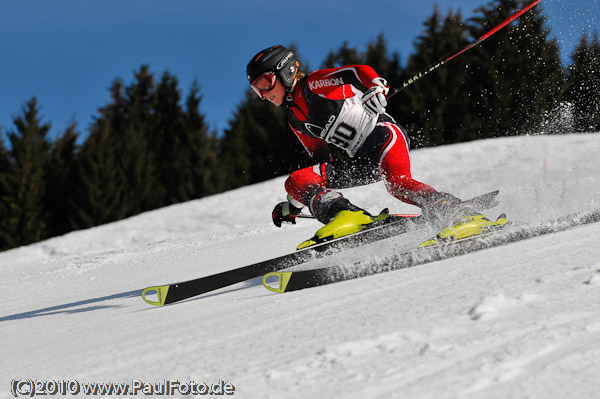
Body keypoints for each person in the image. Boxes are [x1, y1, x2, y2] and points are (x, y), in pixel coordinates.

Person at [246, 45, 469, 247]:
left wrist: (376, 87)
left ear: (284, 72)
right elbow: (323, 164)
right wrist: (295, 203)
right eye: (257, 90)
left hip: (382, 135)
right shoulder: (295, 121)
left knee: (398, 184)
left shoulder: (314, 84)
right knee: (296, 180)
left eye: (264, 84)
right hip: (361, 162)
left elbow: (356, 71)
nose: (263, 94)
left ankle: (458, 213)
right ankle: (347, 214)